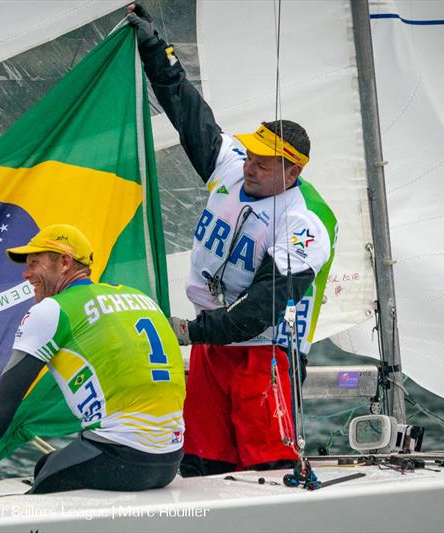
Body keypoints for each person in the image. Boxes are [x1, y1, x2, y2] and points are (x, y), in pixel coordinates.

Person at [127, 4, 337, 476]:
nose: (250, 168)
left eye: (263, 164)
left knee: (267, 468)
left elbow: (260, 308)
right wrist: (154, 49)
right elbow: (185, 107)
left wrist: (186, 332)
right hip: (210, 347)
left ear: (293, 171)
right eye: (251, 157)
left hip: (261, 355)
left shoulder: (303, 228)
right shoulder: (228, 165)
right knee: (201, 463)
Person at [0, 223, 186, 494]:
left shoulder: (53, 310)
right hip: (170, 461)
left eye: (35, 263)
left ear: (65, 262)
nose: (26, 273)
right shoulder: (140, 298)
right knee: (48, 463)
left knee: (40, 491)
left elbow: (6, 397)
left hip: (121, 459)